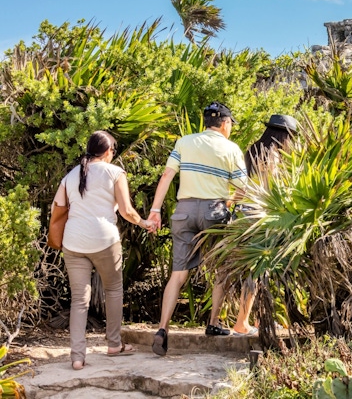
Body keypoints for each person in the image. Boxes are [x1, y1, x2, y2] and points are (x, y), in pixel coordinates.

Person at [146, 102, 252, 356]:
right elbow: (243, 189)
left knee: (178, 273)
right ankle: (213, 323)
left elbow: (167, 176)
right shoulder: (231, 149)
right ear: (225, 124)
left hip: (183, 211)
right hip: (213, 212)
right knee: (221, 269)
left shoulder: (185, 141)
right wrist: (227, 203)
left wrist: (155, 210)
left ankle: (162, 329)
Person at [52, 130, 157, 370]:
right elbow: (127, 211)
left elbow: (57, 207)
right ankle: (113, 344)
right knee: (113, 289)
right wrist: (144, 223)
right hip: (104, 240)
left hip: (73, 242)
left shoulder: (71, 175)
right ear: (109, 151)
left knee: (79, 300)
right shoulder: (115, 172)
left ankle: (77, 357)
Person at [228, 113, 300, 337]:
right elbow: (272, 189)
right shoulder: (272, 157)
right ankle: (242, 322)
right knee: (257, 271)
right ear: (284, 137)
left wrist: (231, 204)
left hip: (244, 214)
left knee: (255, 271)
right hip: (260, 217)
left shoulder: (252, 150)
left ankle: (255, 319)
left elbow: (243, 187)